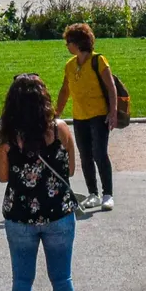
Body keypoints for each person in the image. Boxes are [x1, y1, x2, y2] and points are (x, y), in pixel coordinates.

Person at [0, 71, 82, 291]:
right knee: (62, 279)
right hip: (58, 213)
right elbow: (70, 170)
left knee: (22, 281)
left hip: (20, 216)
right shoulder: (60, 130)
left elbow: (2, 176)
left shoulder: (9, 137)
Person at [52, 22, 117, 212]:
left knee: (99, 153)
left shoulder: (99, 61)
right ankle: (93, 194)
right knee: (85, 155)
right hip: (79, 117)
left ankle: (108, 194)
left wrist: (113, 112)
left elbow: (111, 88)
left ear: (78, 43)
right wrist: (56, 113)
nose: (67, 46)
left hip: (99, 115)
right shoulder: (70, 65)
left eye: (68, 42)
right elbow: (65, 91)